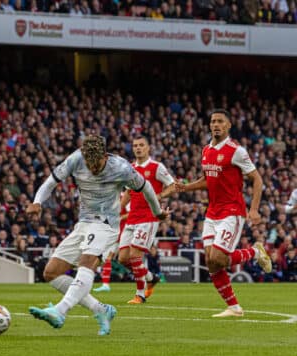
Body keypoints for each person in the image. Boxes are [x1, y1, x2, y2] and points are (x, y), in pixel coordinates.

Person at [26, 135, 167, 335]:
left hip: (106, 225)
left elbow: (146, 187)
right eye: (88, 162)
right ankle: (101, 310)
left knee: (87, 262)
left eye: (96, 163)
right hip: (83, 223)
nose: (92, 167)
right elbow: (51, 182)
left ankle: (60, 311)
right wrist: (37, 201)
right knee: (51, 272)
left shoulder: (121, 167)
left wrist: (157, 211)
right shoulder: (76, 159)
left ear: (104, 156)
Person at [176, 109, 271, 318]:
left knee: (219, 257)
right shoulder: (206, 150)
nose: (216, 124)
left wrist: (254, 209)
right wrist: (185, 187)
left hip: (232, 211)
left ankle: (255, 252)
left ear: (228, 125)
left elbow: (257, 179)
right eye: (213, 121)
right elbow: (206, 181)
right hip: (212, 212)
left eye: (220, 121)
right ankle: (234, 308)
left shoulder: (236, 150)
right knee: (210, 261)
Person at [114, 136, 176, 303]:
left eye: (141, 145)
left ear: (148, 148)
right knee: (123, 259)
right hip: (132, 217)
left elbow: (173, 185)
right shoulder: (130, 168)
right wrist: (118, 208)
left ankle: (140, 294)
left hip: (149, 217)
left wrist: (160, 195)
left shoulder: (156, 167)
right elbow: (128, 192)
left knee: (135, 256)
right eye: (135, 146)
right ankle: (150, 277)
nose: (138, 148)